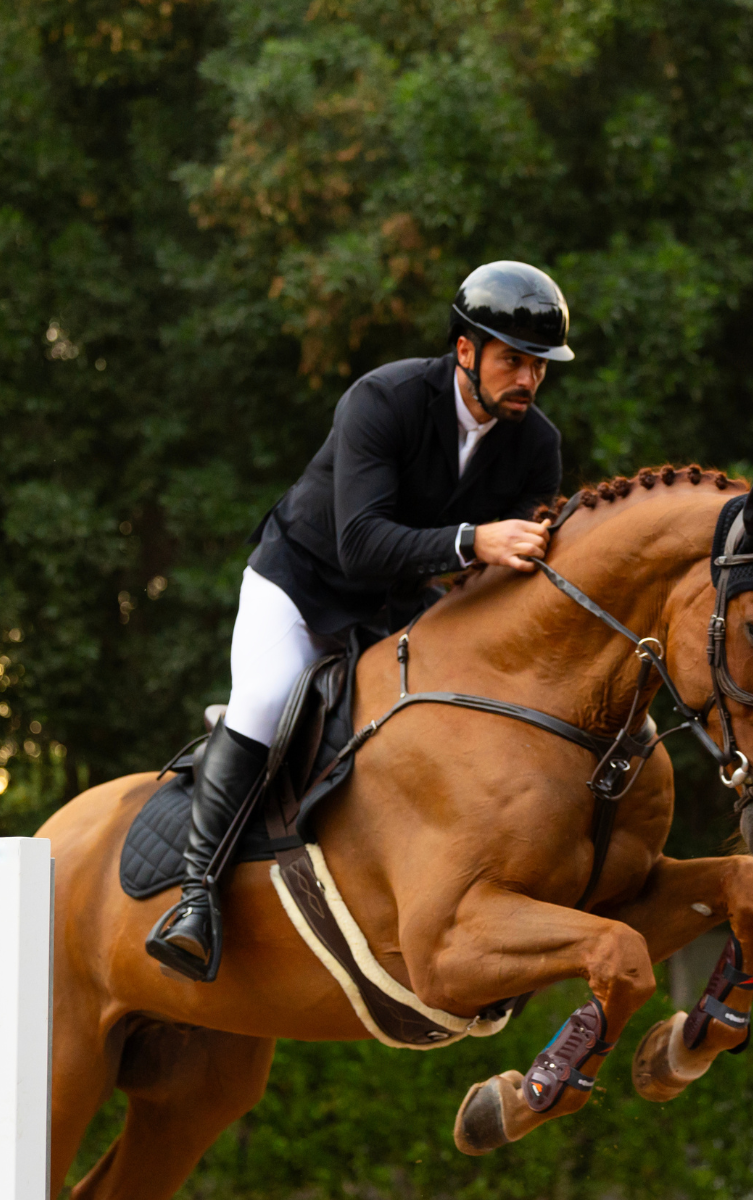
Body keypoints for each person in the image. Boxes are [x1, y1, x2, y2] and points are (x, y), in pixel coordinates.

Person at [147, 260, 574, 981]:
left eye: (538, 366)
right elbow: (363, 542)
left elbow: (509, 570)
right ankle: (195, 899)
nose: (527, 380)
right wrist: (474, 541)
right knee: (266, 698)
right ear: (465, 350)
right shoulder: (385, 398)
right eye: (513, 361)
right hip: (305, 583)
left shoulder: (536, 444)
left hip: (399, 606)